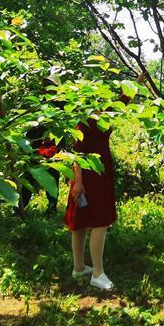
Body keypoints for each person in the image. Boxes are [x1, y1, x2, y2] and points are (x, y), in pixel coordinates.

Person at [64, 116, 120, 292]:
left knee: (80, 222)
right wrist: (79, 181)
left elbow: (125, 97)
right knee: (100, 222)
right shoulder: (83, 117)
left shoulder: (103, 109)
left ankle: (79, 268)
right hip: (89, 175)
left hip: (100, 171)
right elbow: (77, 152)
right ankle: (97, 274)